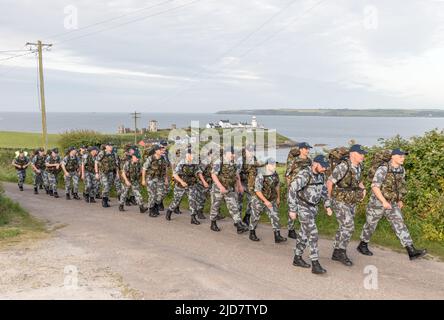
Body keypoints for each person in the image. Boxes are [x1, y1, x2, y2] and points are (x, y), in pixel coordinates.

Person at [358, 148, 427, 260]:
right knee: (371, 224)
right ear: (393, 156)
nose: (403, 158)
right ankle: (363, 244)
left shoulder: (401, 170)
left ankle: (411, 250)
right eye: (400, 156)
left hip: (392, 202)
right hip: (377, 202)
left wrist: (400, 200)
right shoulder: (383, 169)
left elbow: (400, 186)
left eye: (404, 156)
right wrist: (383, 201)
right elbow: (375, 187)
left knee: (399, 223)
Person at [289, 155, 332, 274]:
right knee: (313, 234)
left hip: (313, 208)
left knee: (303, 234)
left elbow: (324, 191)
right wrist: (292, 209)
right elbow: (292, 190)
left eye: (326, 167)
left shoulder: (321, 175)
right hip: (303, 207)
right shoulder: (304, 175)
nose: (324, 169)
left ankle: (297, 258)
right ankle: (315, 263)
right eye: (323, 166)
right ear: (315, 164)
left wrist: (327, 205)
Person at [327, 144, 367, 267]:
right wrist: (328, 202)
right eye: (360, 153)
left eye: (363, 153)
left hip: (351, 200)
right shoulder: (343, 167)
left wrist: (363, 188)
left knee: (342, 227)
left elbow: (358, 180)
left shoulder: (359, 166)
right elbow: (329, 183)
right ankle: (342, 252)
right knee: (349, 226)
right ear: (352, 154)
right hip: (339, 200)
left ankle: (335, 252)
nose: (363, 156)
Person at [209, 146, 249, 234]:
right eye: (232, 153)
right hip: (218, 188)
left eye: (234, 154)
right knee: (215, 206)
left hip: (229, 188)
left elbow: (236, 174)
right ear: (226, 153)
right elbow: (213, 175)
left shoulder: (233, 162)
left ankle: (238, 225)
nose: (233, 155)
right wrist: (221, 187)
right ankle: (213, 223)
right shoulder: (219, 161)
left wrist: (239, 186)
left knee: (233, 205)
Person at [249, 158, 287, 243]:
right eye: (272, 165)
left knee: (275, 216)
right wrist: (265, 201)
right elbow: (257, 190)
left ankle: (277, 236)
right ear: (267, 165)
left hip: (271, 198)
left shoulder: (275, 174)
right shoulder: (261, 175)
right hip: (259, 199)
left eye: (275, 165)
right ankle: (252, 232)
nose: (274, 166)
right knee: (255, 216)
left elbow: (277, 186)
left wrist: (278, 198)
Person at [165, 149, 208, 224]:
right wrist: (181, 181)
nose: (192, 156)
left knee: (193, 201)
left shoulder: (194, 163)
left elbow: (199, 172)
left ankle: (193, 218)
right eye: (190, 155)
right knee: (176, 201)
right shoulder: (181, 163)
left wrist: (204, 182)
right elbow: (175, 174)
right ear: (186, 155)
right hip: (180, 186)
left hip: (191, 184)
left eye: (193, 155)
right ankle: (169, 211)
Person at [285, 142, 313, 239]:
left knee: (305, 209)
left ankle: (304, 229)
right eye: (306, 149)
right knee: (293, 208)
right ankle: (291, 229)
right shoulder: (294, 161)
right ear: (301, 149)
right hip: (295, 188)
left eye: (308, 149)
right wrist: (290, 188)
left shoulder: (310, 161)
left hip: (306, 190)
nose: (308, 150)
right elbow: (287, 175)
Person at [142, 145, 169, 217]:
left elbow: (165, 169)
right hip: (151, 179)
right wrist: (143, 180)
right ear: (156, 151)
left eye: (162, 150)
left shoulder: (163, 158)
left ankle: (155, 207)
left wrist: (166, 179)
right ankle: (151, 210)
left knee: (160, 195)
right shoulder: (150, 158)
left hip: (160, 179)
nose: (162, 151)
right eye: (160, 150)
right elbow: (144, 169)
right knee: (152, 195)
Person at [119, 149, 148, 213]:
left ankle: (141, 207)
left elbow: (141, 171)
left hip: (134, 181)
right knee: (124, 194)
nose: (138, 159)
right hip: (127, 180)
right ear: (133, 157)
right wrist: (126, 181)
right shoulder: (127, 163)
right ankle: (121, 205)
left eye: (138, 158)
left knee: (138, 194)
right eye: (137, 158)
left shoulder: (138, 164)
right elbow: (123, 173)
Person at [237, 145, 258, 225]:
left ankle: (247, 216)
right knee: (239, 201)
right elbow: (236, 173)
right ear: (246, 151)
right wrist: (239, 186)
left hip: (248, 183)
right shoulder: (240, 159)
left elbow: (255, 171)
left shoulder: (254, 158)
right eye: (250, 151)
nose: (252, 153)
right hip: (240, 182)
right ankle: (238, 221)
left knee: (253, 199)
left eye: (253, 151)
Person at [95, 142, 120, 208]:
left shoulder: (114, 154)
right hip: (103, 173)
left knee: (108, 186)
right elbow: (96, 162)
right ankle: (104, 201)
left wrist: (117, 174)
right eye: (109, 146)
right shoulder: (102, 153)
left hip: (111, 172)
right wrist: (97, 173)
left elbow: (116, 165)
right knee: (105, 186)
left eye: (111, 146)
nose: (111, 147)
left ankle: (105, 198)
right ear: (106, 147)